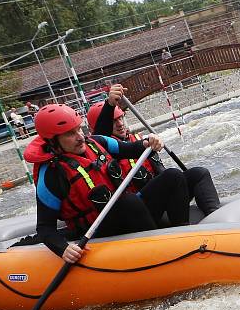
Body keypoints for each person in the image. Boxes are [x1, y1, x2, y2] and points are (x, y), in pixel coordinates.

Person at [24, 103, 192, 263]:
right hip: (96, 230)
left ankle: (185, 237)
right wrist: (63, 249)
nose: (80, 137)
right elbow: (45, 228)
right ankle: (161, 251)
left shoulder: (97, 142)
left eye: (79, 129)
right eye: (70, 134)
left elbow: (130, 149)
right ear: (53, 141)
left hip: (127, 212)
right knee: (129, 201)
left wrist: (149, 142)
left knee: (173, 176)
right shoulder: (52, 174)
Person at [87, 83, 220, 216]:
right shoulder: (100, 150)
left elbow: (161, 172)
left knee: (199, 173)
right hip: (138, 207)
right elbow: (100, 135)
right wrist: (110, 104)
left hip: (159, 194)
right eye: (113, 121)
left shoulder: (139, 140)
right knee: (172, 175)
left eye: (121, 117)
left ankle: (215, 216)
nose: (120, 124)